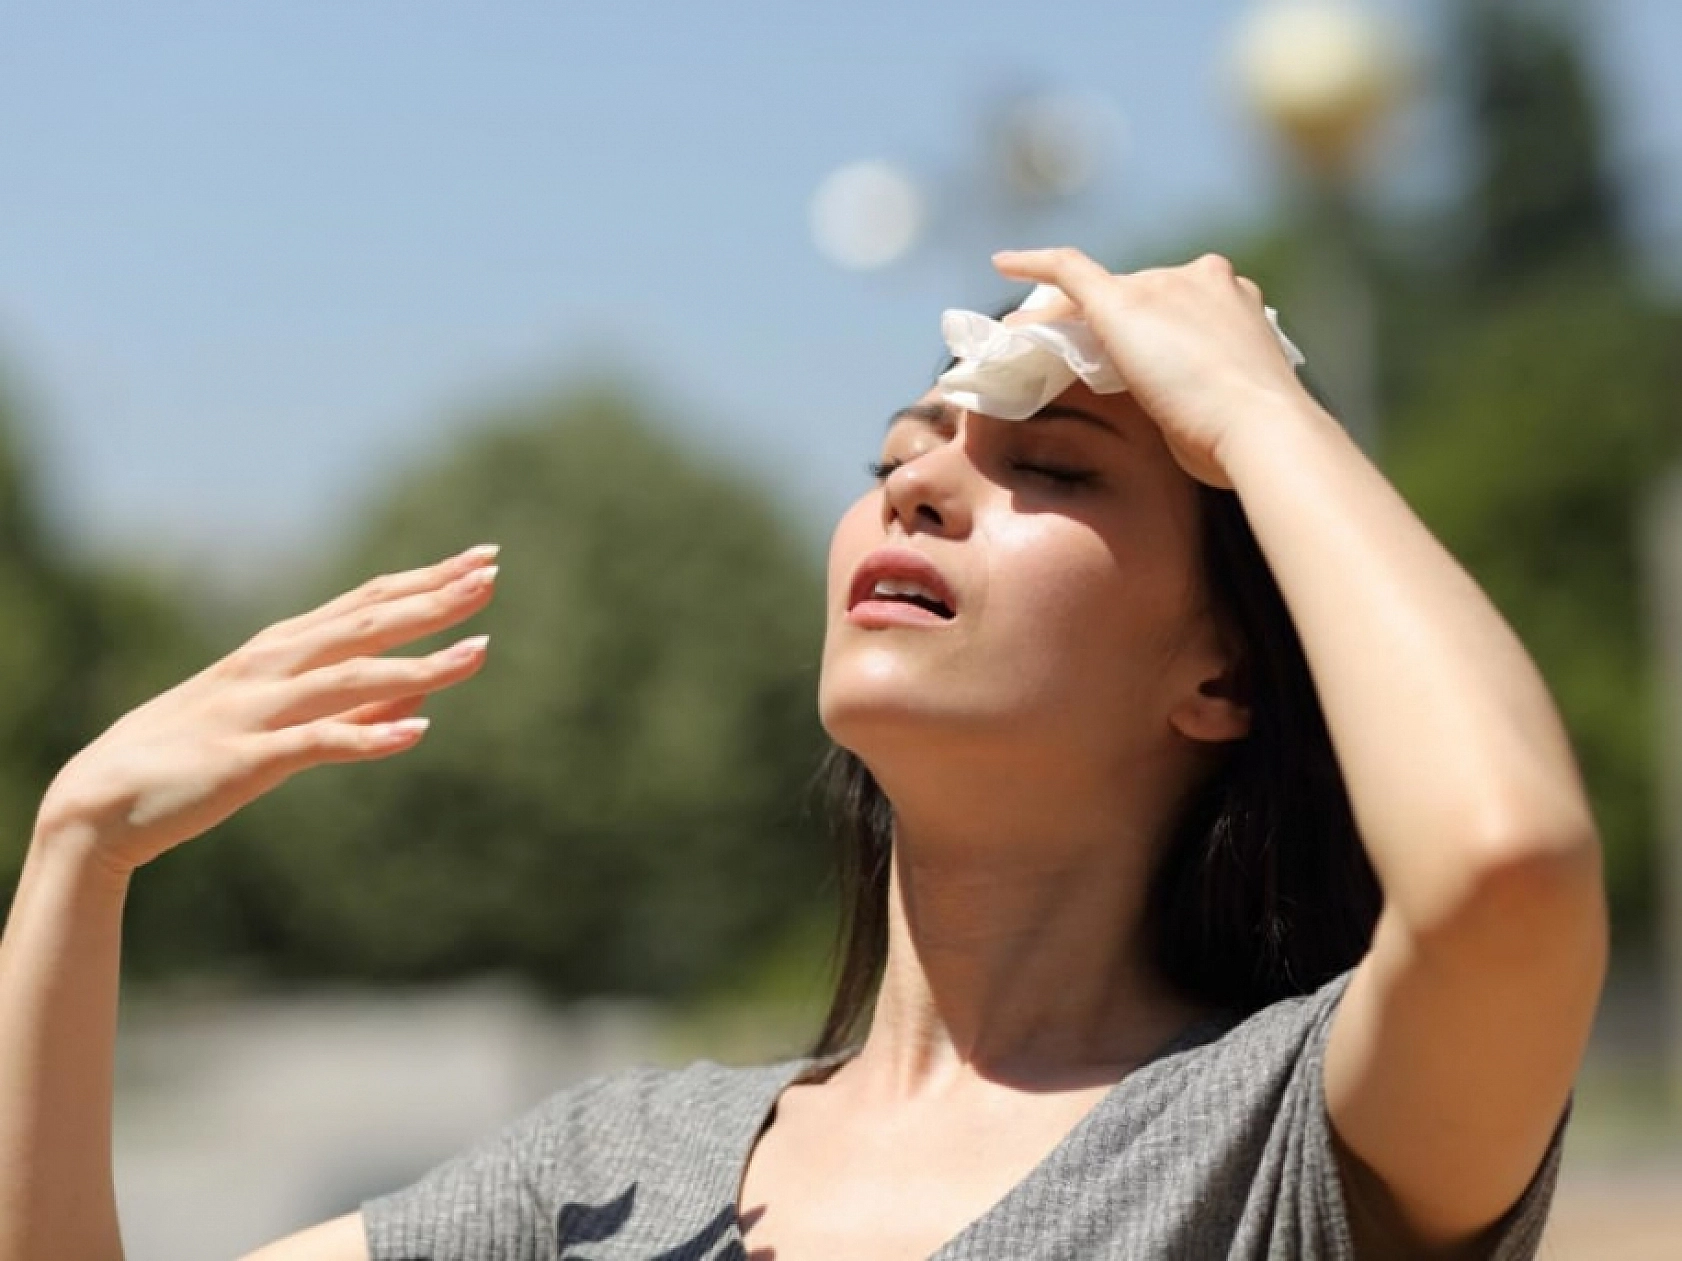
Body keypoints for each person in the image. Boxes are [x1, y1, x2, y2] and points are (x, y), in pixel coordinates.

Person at [0, 249, 1606, 1260]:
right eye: (897, 457)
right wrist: (80, 859)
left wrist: (1258, 412)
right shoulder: (606, 1174)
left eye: (1052, 464)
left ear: (1223, 676)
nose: (918, 488)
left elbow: (1501, 869)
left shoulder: (1284, 1145)